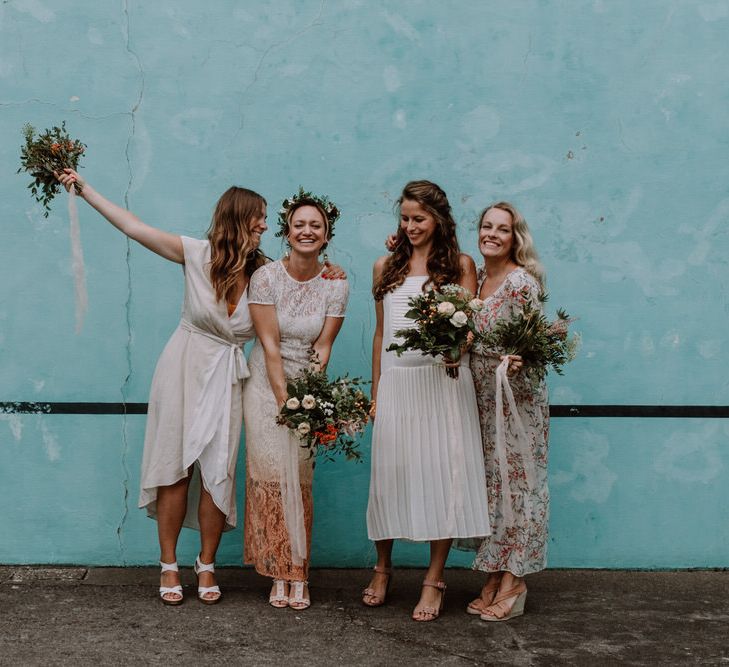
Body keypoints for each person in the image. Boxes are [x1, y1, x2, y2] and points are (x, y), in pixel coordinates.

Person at [55, 168, 268, 605]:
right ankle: (168, 563)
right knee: (176, 467)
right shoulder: (195, 253)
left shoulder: (265, 272)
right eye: (258, 217)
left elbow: (307, 283)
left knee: (217, 473)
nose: (264, 225)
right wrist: (86, 189)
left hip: (227, 377)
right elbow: (134, 227)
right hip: (184, 367)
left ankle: (206, 565)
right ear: (238, 217)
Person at [364, 180, 490, 622]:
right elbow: (382, 335)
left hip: (442, 384)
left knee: (443, 477)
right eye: (404, 218)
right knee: (389, 476)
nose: (410, 226)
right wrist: (376, 393)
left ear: (438, 219)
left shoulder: (460, 265)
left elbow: (468, 330)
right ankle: (382, 568)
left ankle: (434, 579)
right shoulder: (385, 266)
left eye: (419, 218)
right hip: (398, 385)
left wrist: (455, 348)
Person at [243, 189, 349, 611]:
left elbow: (323, 347)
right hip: (265, 387)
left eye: (316, 226)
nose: (307, 231)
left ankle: (297, 570)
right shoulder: (265, 277)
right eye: (300, 224)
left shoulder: (336, 283)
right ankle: (276, 568)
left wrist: (308, 399)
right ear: (287, 231)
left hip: (307, 388)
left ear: (326, 235)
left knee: (299, 476)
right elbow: (269, 345)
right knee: (270, 475)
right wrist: (283, 399)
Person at [463, 201, 549, 622]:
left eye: (502, 229)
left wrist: (519, 360)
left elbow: (538, 344)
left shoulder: (521, 283)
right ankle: (496, 571)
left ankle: (516, 579)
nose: (492, 234)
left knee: (519, 484)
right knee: (493, 485)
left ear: (516, 237)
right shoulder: (476, 277)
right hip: (479, 396)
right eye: (486, 226)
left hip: (517, 399)